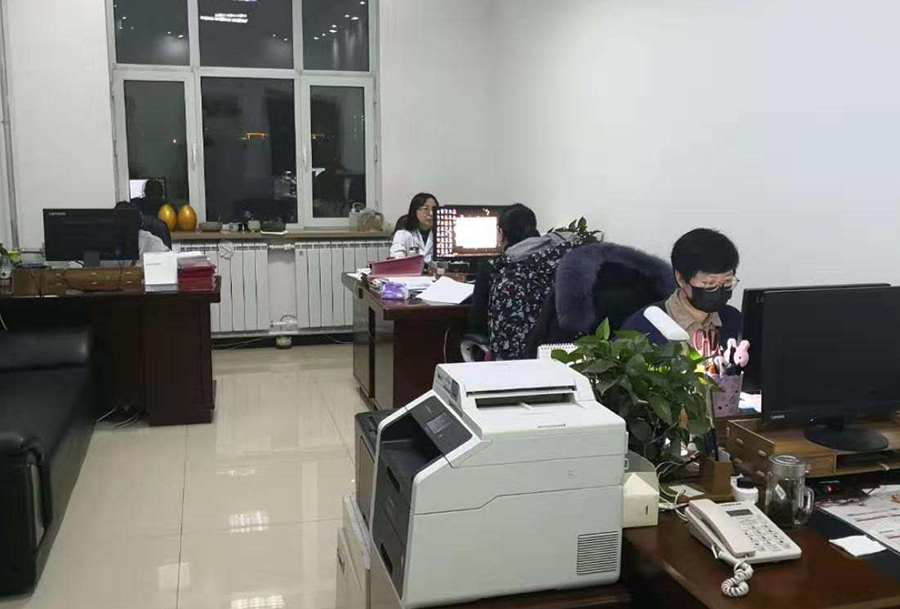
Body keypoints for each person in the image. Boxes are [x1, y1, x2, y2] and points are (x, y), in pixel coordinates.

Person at [621, 228, 741, 353]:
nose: (719, 290)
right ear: (681, 279)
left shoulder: (733, 320)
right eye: (710, 283)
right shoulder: (642, 327)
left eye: (728, 281)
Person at [467, 203, 541, 336]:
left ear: (501, 233)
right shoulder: (550, 260)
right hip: (549, 346)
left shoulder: (492, 267)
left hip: (504, 345)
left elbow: (477, 322)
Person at [390, 193, 439, 263]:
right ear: (415, 211)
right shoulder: (403, 234)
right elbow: (397, 260)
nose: (431, 213)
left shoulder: (442, 234)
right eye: (426, 209)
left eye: (434, 209)